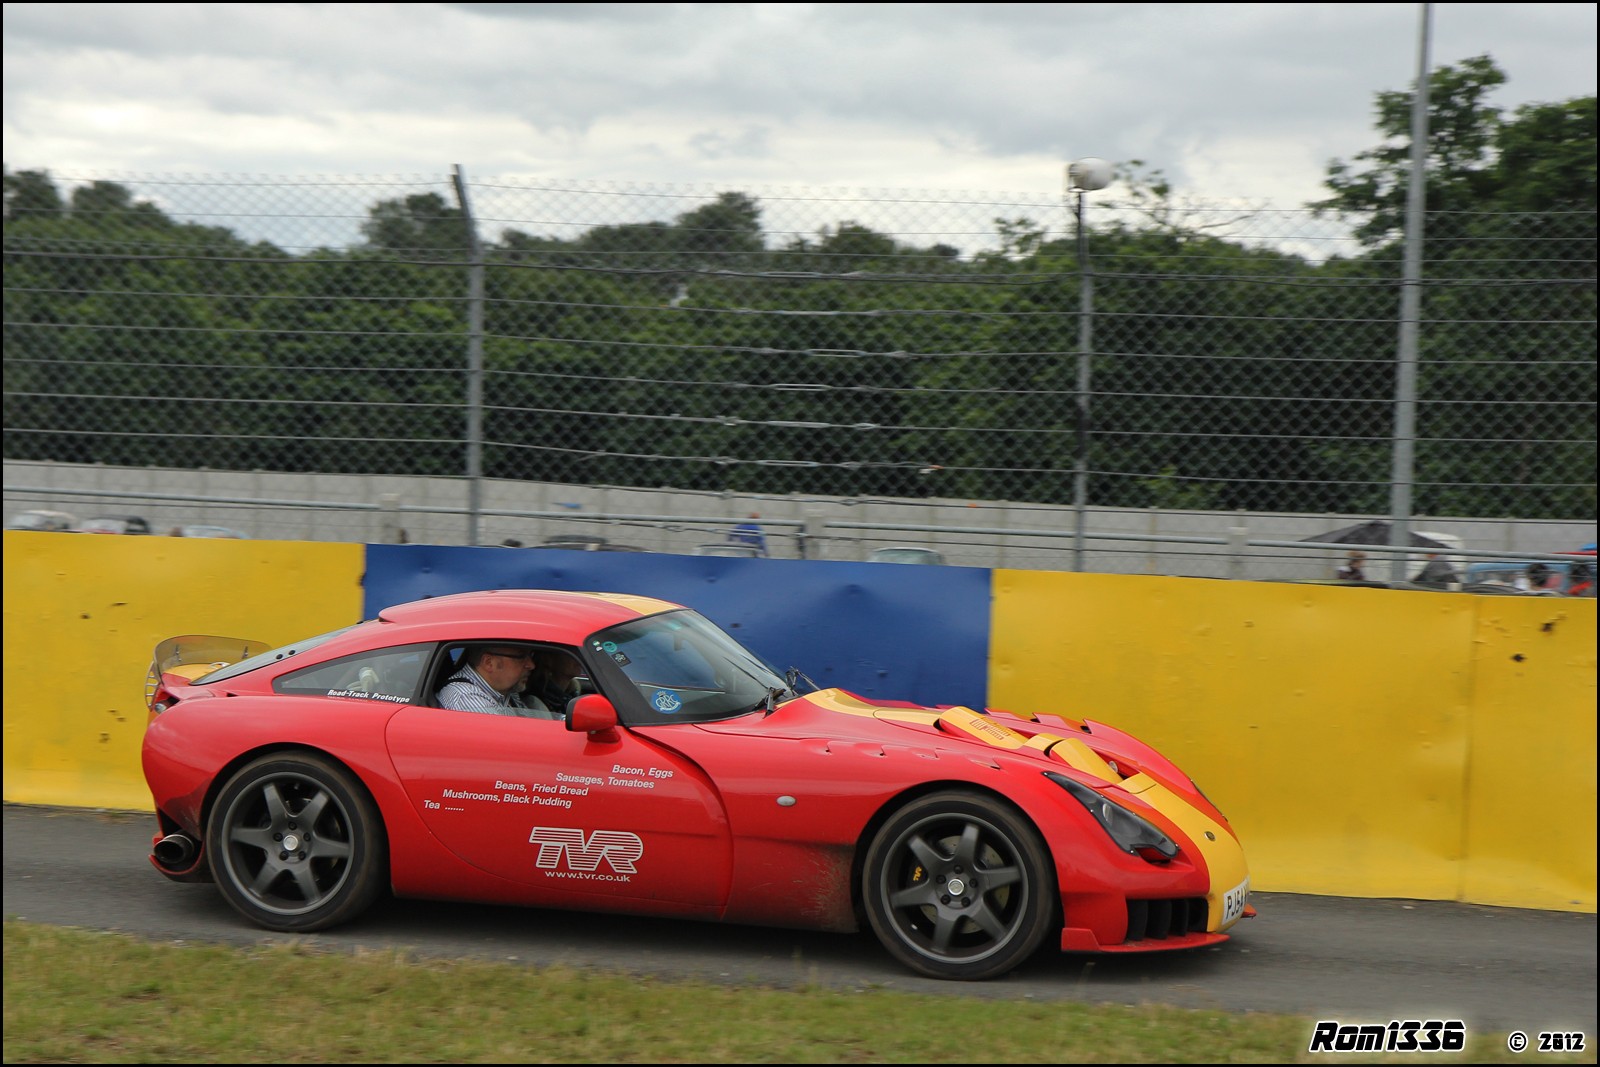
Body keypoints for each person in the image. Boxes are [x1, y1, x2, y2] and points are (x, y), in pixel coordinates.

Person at [438, 645, 558, 719]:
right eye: (521, 657)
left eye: (530, 655)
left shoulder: (506, 691)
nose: (531, 665)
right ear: (489, 663)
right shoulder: (466, 698)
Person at [526, 649, 584, 715]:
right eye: (571, 653)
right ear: (548, 660)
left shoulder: (570, 696)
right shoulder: (536, 701)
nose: (578, 658)